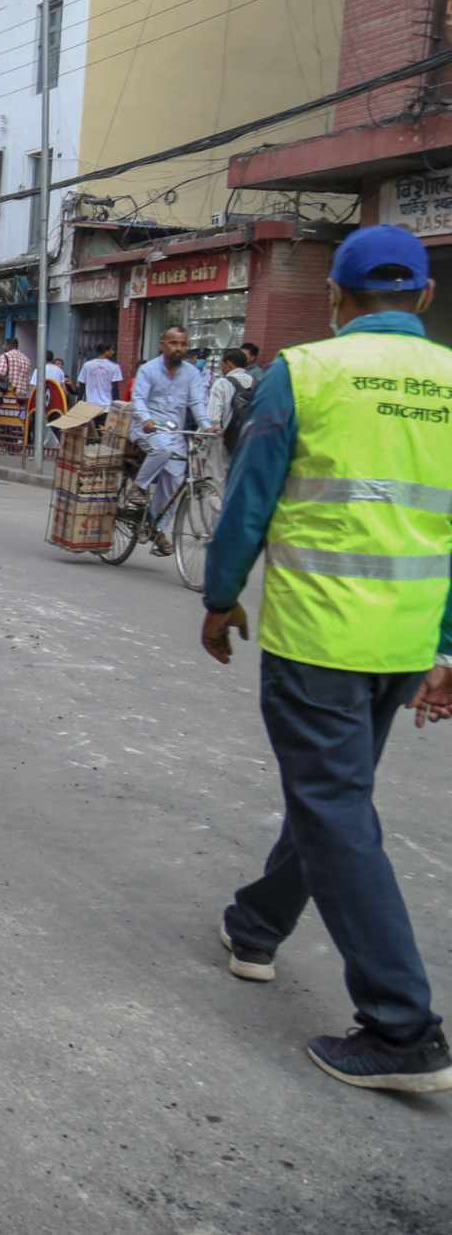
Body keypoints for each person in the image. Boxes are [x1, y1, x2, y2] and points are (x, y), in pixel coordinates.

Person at [201, 223, 452, 1093]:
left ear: (337, 300)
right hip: (407, 637)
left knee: (336, 807)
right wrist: (446, 648)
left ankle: (402, 1026)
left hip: (320, 637)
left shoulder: (304, 372)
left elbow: (247, 503)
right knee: (333, 798)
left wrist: (220, 595)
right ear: (421, 296)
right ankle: (256, 925)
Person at [131, 326, 208, 556]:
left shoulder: (192, 373)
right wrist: (145, 419)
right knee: (161, 449)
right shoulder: (148, 370)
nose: (179, 348)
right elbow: (138, 398)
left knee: (174, 483)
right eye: (174, 343)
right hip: (148, 430)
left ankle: (156, 528)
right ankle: (138, 488)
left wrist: (207, 424)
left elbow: (197, 402)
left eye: (183, 344)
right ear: (162, 344)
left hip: (177, 433)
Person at [204, 346, 256, 460]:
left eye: (222, 364)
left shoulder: (222, 383)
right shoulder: (256, 382)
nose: (221, 368)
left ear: (228, 364)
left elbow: (213, 418)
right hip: (248, 441)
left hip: (223, 442)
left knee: (218, 476)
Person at [77, 342, 123, 408]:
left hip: (90, 405)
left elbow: (82, 385)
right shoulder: (114, 367)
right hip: (106, 406)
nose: (113, 352)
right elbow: (115, 388)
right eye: (112, 350)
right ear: (106, 351)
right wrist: (117, 405)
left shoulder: (87, 365)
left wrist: (79, 402)